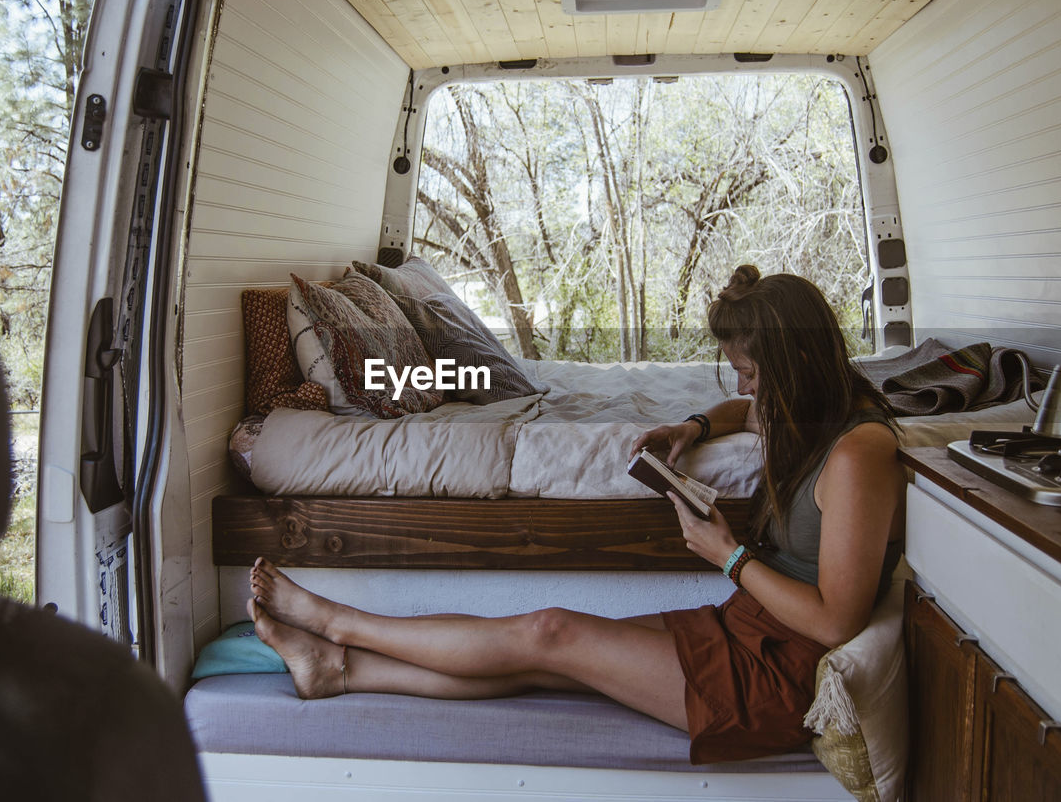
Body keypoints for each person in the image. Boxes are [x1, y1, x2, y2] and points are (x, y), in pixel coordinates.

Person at [248, 264, 906, 764]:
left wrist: (727, 556)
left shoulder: (858, 456)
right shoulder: (810, 407)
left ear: (795, 363)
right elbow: (747, 412)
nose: (744, 389)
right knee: (541, 654)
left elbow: (835, 620)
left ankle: (339, 621)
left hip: (776, 681)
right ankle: (339, 670)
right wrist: (696, 425)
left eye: (752, 374)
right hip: (748, 632)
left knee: (548, 633)